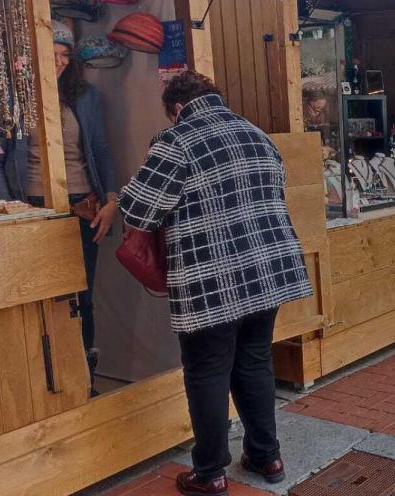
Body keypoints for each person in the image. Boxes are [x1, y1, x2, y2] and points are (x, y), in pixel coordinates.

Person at [118, 72, 313, 496]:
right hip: (269, 273)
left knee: (207, 371)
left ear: (176, 109)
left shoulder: (177, 140)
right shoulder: (257, 135)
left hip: (211, 281)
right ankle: (267, 455)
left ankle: (209, 472)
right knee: (255, 362)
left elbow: (137, 210)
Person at [0, 19, 116, 396]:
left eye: (64, 55)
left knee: (82, 297)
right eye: (51, 53)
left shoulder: (85, 97)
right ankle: (47, 386)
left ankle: (84, 378)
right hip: (34, 208)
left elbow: (101, 150)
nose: (58, 61)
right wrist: (13, 209)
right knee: (41, 302)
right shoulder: (8, 99)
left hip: (84, 206)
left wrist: (111, 199)